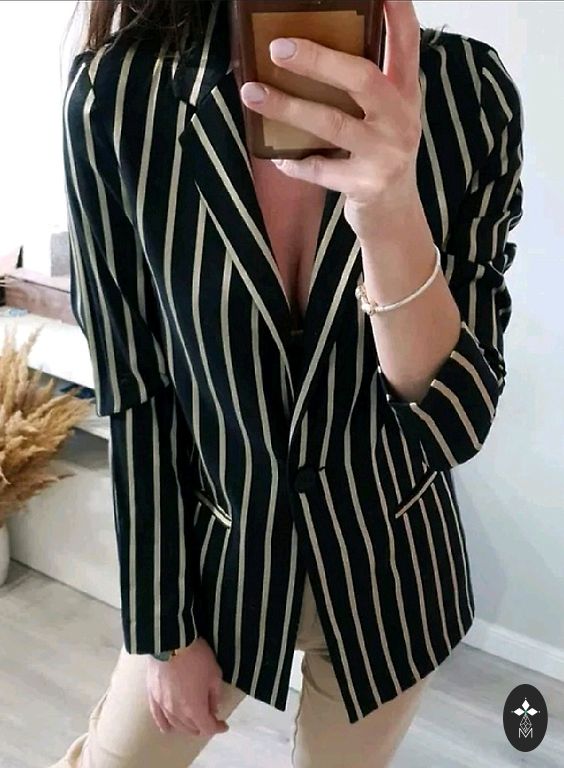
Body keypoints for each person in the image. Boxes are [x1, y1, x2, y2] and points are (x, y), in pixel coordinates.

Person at [54, 0, 524, 765]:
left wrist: (389, 207)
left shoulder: (471, 94)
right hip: (215, 565)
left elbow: (456, 423)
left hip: (392, 577)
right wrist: (161, 629)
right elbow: (135, 388)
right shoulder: (119, 98)